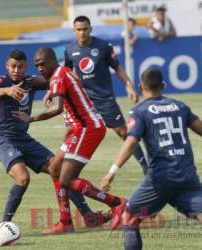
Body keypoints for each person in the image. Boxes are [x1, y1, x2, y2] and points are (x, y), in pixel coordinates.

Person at [0, 50, 111, 231]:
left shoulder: (29, 82)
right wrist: (8, 90)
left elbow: (57, 80)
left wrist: (53, 89)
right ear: (7, 66)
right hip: (4, 139)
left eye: (20, 66)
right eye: (13, 66)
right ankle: (5, 224)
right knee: (23, 178)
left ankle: (89, 217)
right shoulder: (1, 81)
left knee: (59, 171)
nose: (16, 70)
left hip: (24, 139)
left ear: (25, 66)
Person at [13, 47, 126, 235]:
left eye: (42, 64)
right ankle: (65, 222)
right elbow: (48, 83)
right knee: (54, 169)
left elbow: (57, 108)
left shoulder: (59, 76)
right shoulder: (61, 73)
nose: (40, 68)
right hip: (79, 129)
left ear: (51, 61)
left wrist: (31, 118)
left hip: (87, 128)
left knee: (67, 179)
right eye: (36, 66)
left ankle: (118, 203)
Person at [101, 68, 202, 250]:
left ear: (140, 86)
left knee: (129, 217)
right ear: (163, 85)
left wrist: (112, 171)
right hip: (187, 175)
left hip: (160, 179)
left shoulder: (140, 111)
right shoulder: (180, 106)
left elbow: (131, 142)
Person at [63, 15, 148, 174]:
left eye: (85, 29)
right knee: (71, 133)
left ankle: (146, 168)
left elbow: (117, 68)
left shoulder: (103, 47)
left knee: (124, 133)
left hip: (104, 99)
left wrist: (129, 87)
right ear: (74, 31)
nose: (82, 32)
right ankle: (64, 168)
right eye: (79, 29)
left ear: (91, 29)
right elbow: (65, 73)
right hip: (82, 101)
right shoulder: (69, 50)